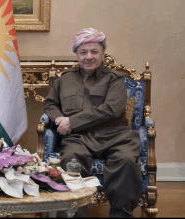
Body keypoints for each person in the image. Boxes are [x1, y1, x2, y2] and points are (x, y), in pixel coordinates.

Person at [44, 27, 141, 218]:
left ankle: (121, 215)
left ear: (103, 53)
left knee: (126, 161)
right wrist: (59, 119)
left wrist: (72, 121)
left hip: (115, 136)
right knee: (71, 159)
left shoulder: (115, 79)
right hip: (78, 138)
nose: (89, 57)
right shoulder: (65, 78)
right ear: (77, 54)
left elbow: (112, 109)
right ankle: (73, 214)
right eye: (83, 52)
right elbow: (50, 104)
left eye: (94, 51)